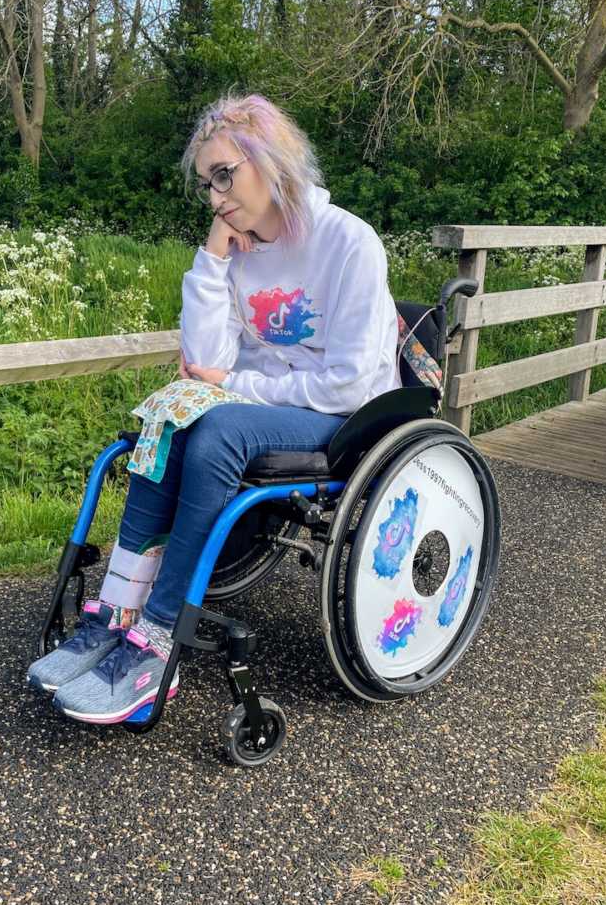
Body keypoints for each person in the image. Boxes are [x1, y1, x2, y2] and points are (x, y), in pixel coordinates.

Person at [26, 93, 402, 723]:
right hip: (252, 404)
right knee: (164, 415)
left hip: (339, 416)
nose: (215, 194)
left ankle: (160, 633)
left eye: (225, 174)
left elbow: (347, 385)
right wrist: (213, 258)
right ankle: (117, 616)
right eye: (206, 183)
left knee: (217, 430)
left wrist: (233, 386)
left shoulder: (349, 243)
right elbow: (202, 359)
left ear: (273, 162)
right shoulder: (239, 247)